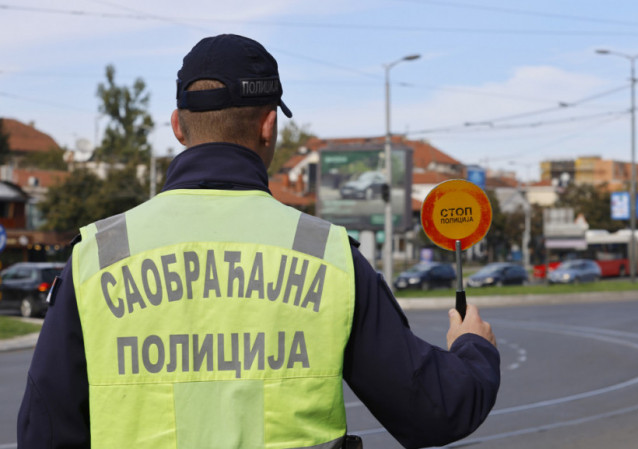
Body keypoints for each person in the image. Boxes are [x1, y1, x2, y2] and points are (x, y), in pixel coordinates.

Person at [17, 34, 499, 449]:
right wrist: (473, 347)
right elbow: (435, 409)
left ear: (178, 126)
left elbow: (43, 431)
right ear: (269, 125)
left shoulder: (98, 256)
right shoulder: (326, 256)